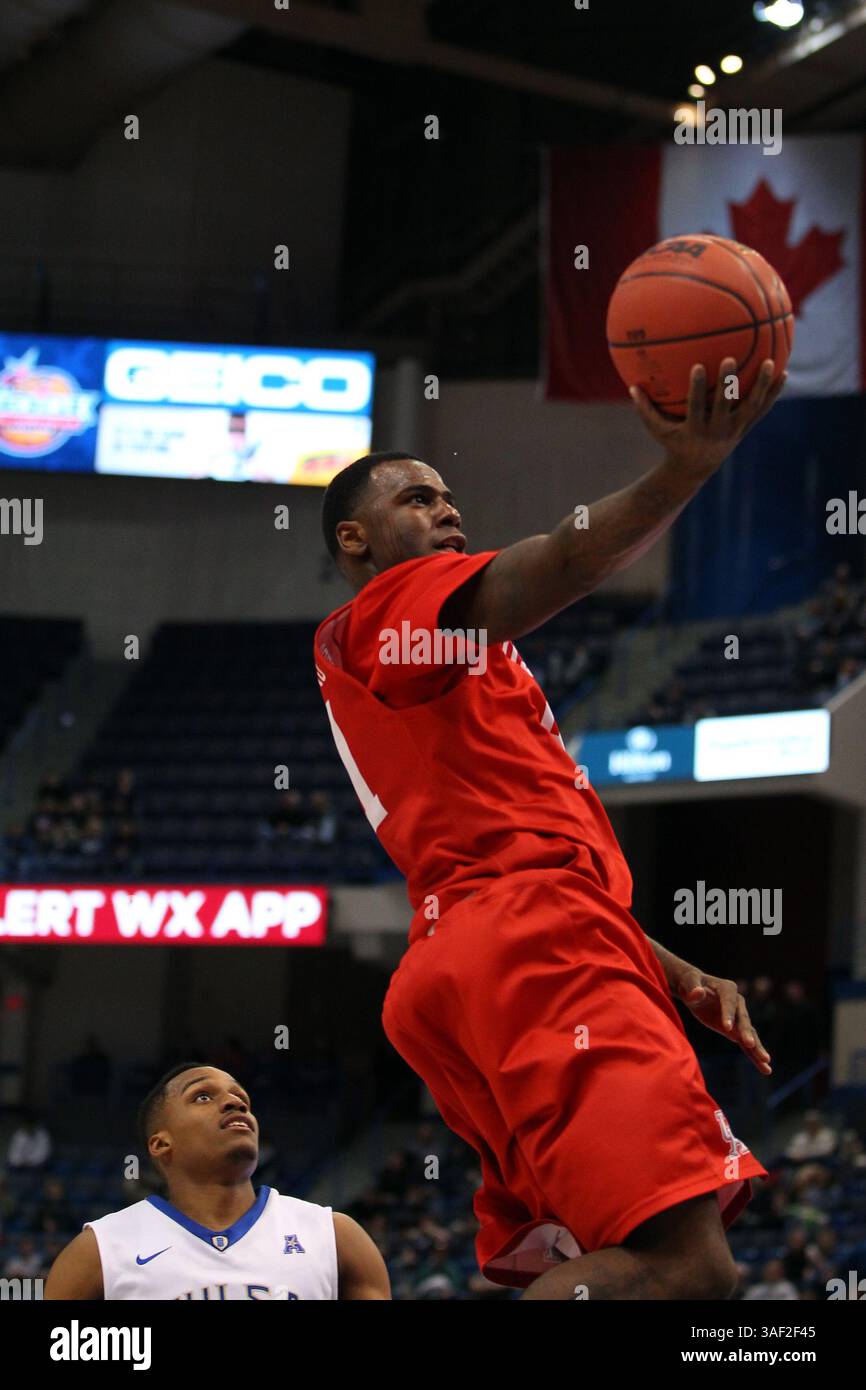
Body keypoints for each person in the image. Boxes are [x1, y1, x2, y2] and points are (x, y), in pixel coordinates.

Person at [314, 357, 785, 1300]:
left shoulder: (445, 659)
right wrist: (684, 468)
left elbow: (515, 845)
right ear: (356, 539)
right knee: (691, 1270)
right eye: (417, 498)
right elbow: (561, 563)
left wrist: (666, 965)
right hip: (531, 949)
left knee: (560, 1257)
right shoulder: (386, 615)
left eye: (449, 496)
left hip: (469, 955)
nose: (447, 510)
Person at [44, 1063, 390, 1300]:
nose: (234, 1102)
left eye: (242, 1099)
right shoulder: (100, 1250)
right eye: (203, 1096)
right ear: (162, 1143)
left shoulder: (335, 1236)